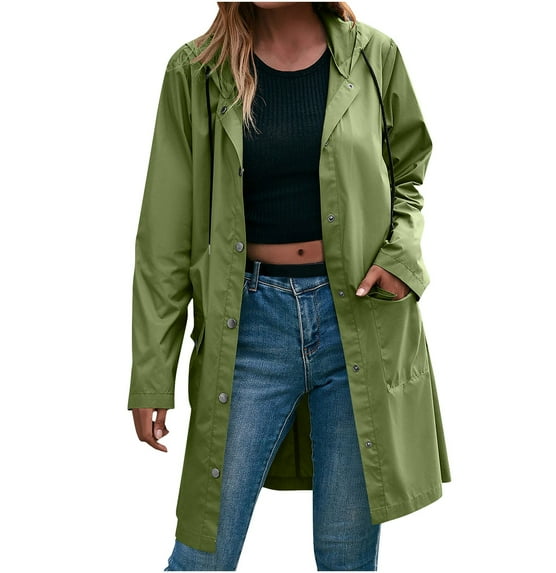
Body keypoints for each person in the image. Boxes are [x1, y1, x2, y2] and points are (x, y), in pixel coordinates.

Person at [128, 2, 451, 570]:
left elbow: (409, 171)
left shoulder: (373, 56)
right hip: (247, 326)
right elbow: (164, 235)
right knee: (203, 553)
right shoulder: (196, 71)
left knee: (346, 555)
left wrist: (401, 258)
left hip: (357, 322)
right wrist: (152, 374)